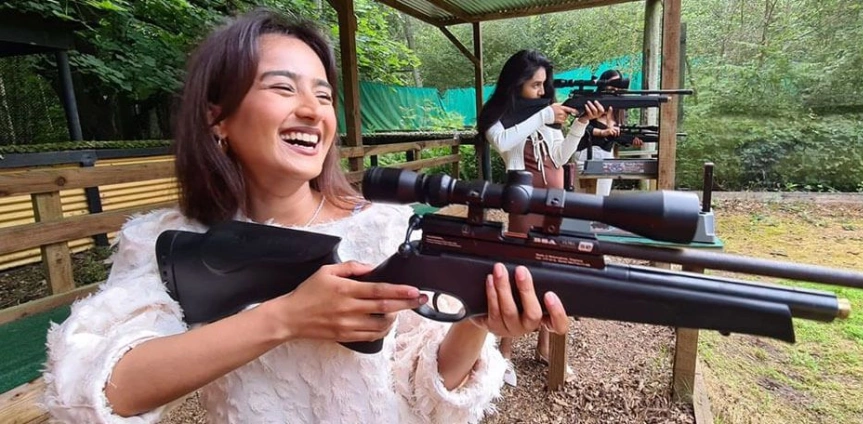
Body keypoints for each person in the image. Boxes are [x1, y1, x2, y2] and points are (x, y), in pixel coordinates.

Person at [41, 10, 570, 424]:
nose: (313, 109)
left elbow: (423, 387)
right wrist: (286, 318)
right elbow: (95, 392)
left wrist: (476, 321)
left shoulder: (383, 226)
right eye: (282, 87)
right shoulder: (169, 241)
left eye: (323, 94)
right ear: (217, 118)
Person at [475, 50, 606, 371]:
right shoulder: (498, 114)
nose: (542, 92)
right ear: (516, 83)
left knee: (552, 266)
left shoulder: (546, 113)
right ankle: (504, 351)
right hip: (524, 198)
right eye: (535, 85)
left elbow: (560, 157)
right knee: (517, 269)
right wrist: (544, 115)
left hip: (555, 198)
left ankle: (544, 346)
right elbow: (504, 142)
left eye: (544, 85)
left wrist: (581, 124)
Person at [574, 69, 643, 197]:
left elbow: (617, 136)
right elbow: (582, 128)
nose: (614, 89)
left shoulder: (618, 110)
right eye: (611, 85)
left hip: (607, 158)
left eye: (617, 86)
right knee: (583, 202)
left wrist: (631, 140)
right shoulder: (591, 103)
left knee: (602, 199)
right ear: (602, 84)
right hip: (585, 156)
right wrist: (603, 132)